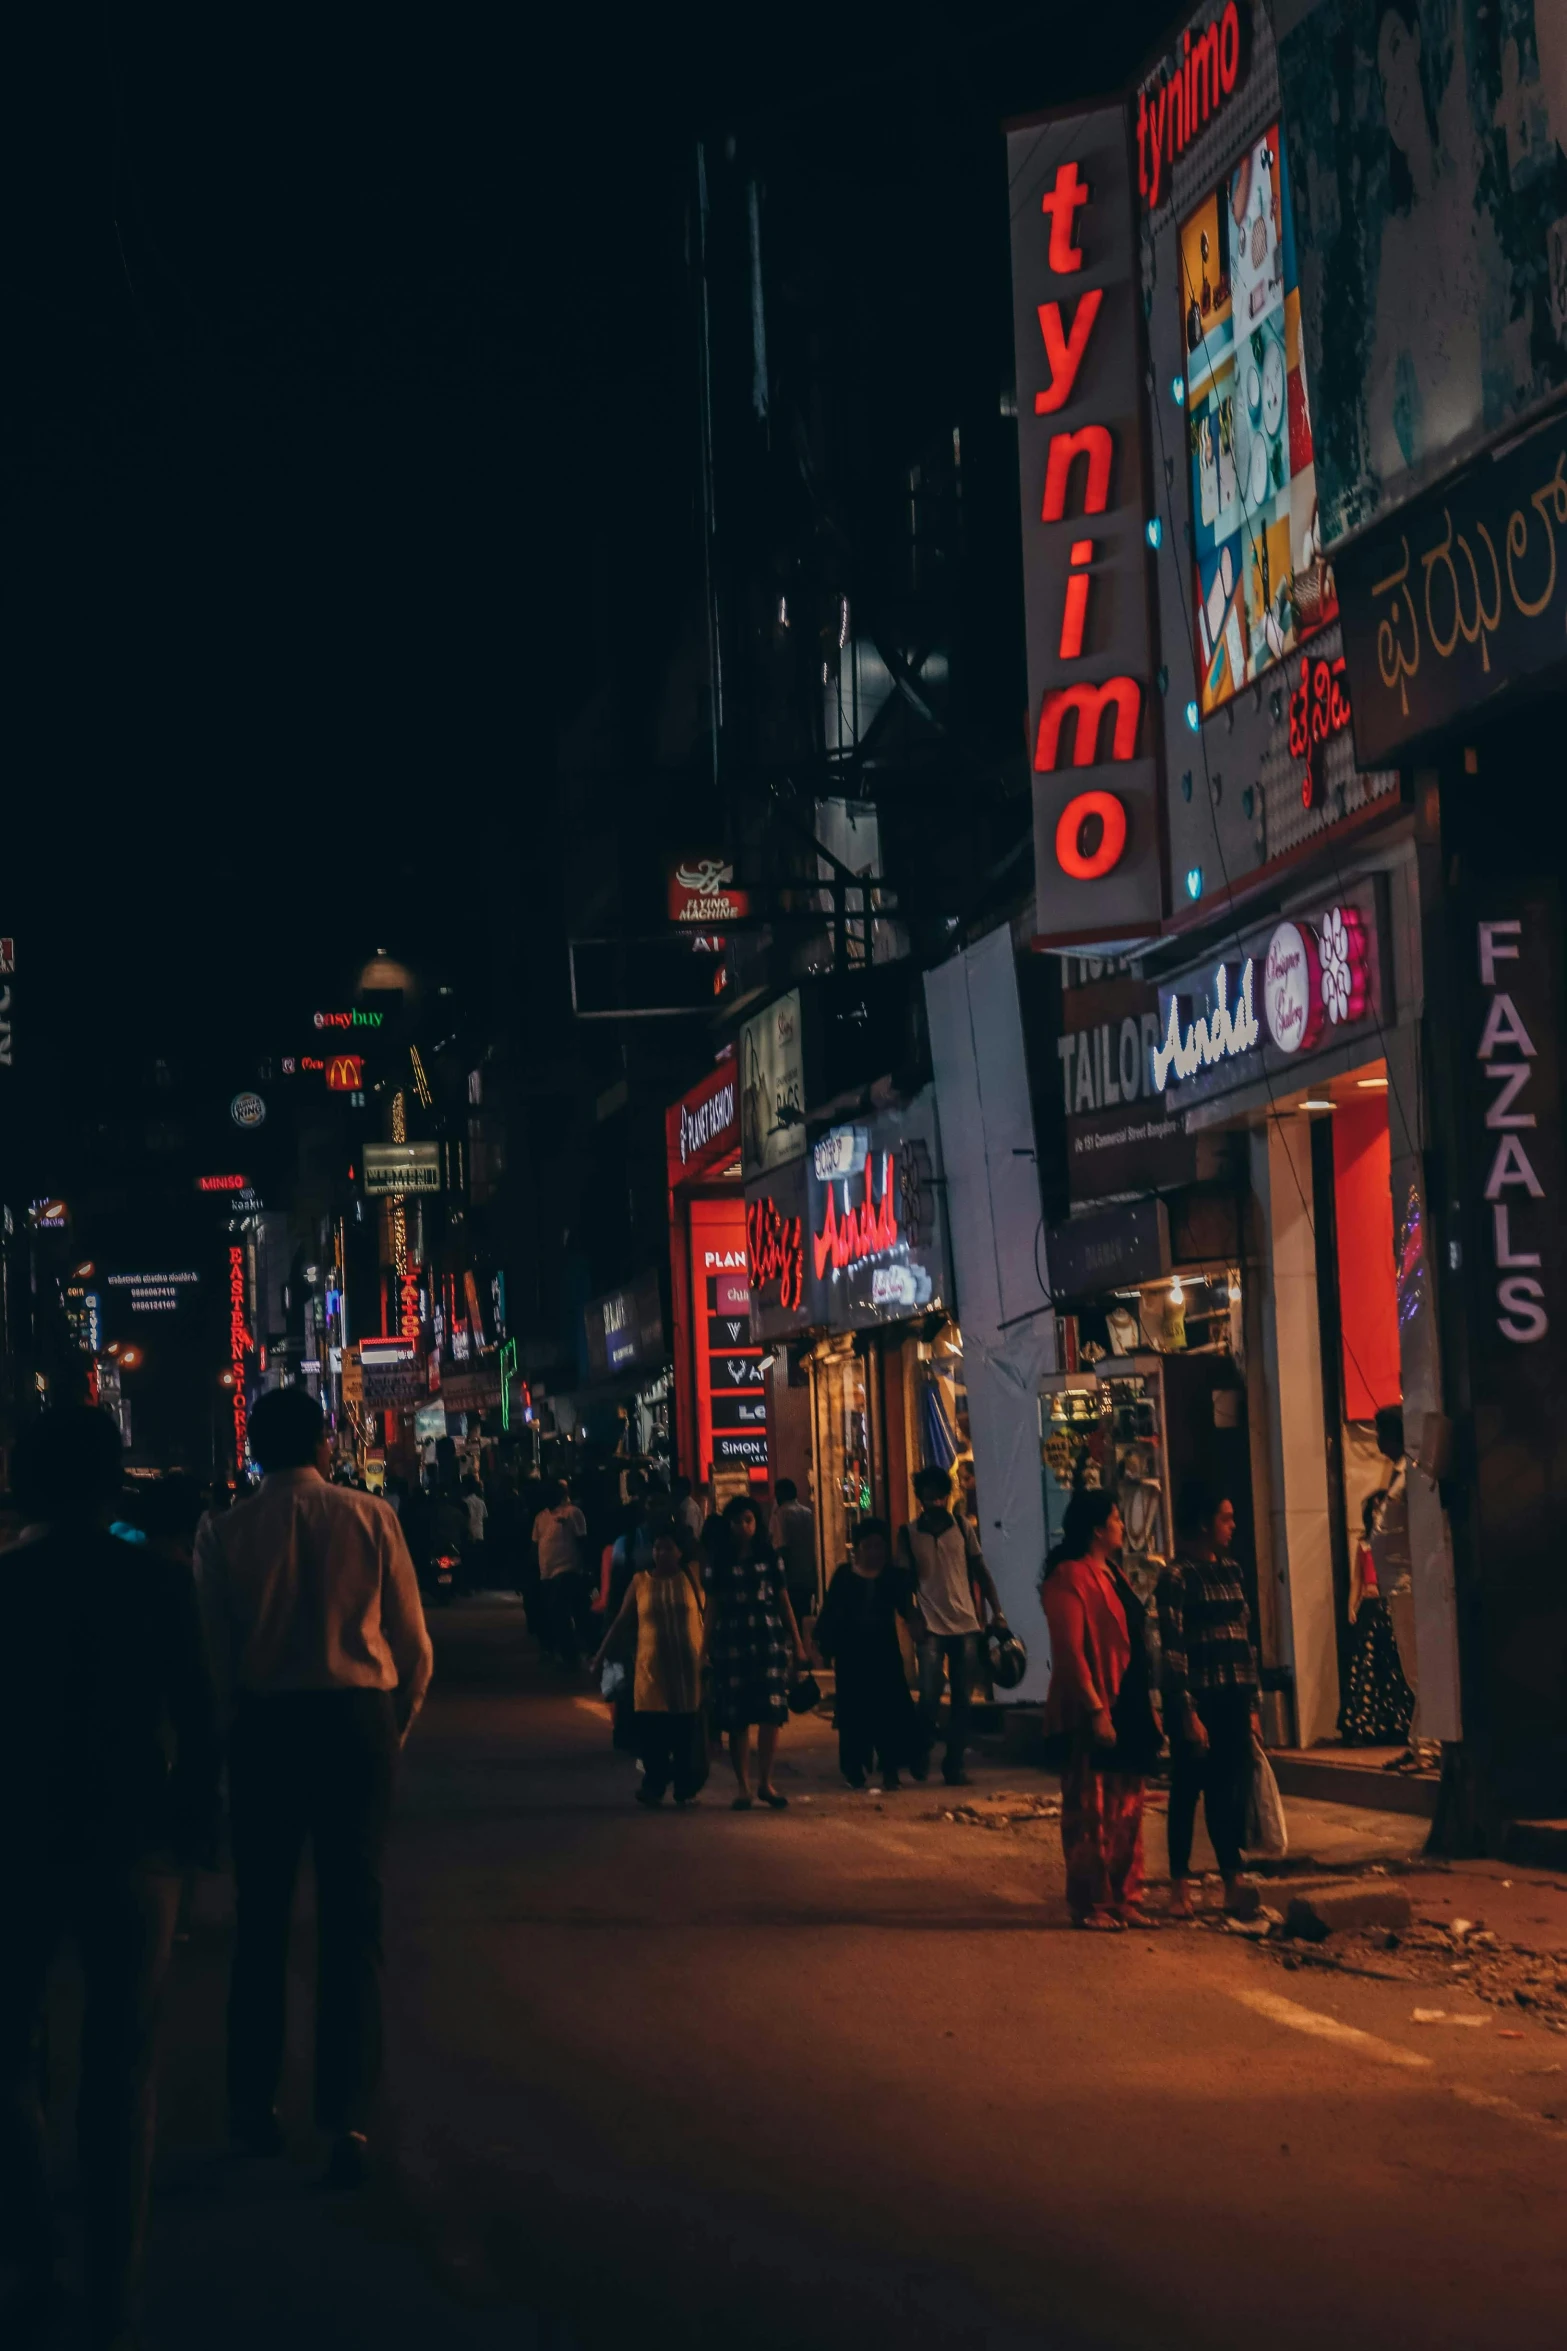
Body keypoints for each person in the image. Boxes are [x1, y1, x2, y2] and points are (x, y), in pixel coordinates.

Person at [0, 1408, 220, 2348]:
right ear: (110, 1483)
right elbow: (201, 1720)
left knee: (11, 2059)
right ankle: (113, 2292)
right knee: (121, 2069)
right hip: (135, 1842)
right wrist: (189, 1827)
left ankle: (33, 2258)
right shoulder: (157, 1579)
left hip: (16, 1846)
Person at [193, 1385, 433, 2187]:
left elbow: (216, 1665)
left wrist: (232, 1745)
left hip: (266, 1729)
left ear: (254, 1448)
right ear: (325, 1442)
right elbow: (415, 1647)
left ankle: (251, 2106)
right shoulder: (371, 1518)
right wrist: (387, 1730)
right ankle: (348, 2116)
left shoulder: (223, 1532)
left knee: (260, 1921)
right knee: (351, 1920)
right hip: (356, 1722)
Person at [1041, 1490, 1162, 1930]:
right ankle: (1092, 1902)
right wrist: (1096, 1709)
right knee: (1090, 1810)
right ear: (1096, 1528)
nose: (1122, 1525)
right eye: (1115, 1518)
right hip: (1091, 1707)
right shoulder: (1068, 1577)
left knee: (1128, 1808)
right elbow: (1070, 1653)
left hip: (1127, 1701)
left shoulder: (1113, 1573)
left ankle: (1125, 1895)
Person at [1157, 1481, 1262, 1920]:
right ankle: (1180, 1886)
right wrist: (1185, 1712)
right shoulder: (1176, 1576)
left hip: (1234, 1695)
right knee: (1186, 1792)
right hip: (1197, 1700)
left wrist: (1253, 1704)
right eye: (1225, 1517)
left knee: (1229, 1791)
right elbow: (1173, 1647)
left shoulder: (1232, 1571)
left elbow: (1245, 1639)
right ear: (1203, 1523)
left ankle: (1231, 1880)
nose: (1232, 1526)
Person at [897, 1465, 1005, 1788]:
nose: (933, 1502)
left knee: (962, 1699)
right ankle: (921, 1750)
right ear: (920, 1499)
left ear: (946, 1497)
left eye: (938, 1497)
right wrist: (911, 1617)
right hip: (930, 1626)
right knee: (929, 1696)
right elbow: (902, 1582)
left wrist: (996, 1611)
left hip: (965, 1625)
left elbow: (981, 1571)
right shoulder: (909, 1534)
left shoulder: (962, 1528)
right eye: (927, 1497)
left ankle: (954, 1765)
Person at [702, 1494, 807, 1809]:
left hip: (767, 1637)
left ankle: (765, 1782)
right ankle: (743, 1786)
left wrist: (798, 1643)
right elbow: (713, 1607)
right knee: (737, 1716)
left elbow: (783, 1600)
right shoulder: (720, 1560)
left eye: (748, 1520)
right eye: (736, 1521)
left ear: (756, 1522)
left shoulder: (769, 1555)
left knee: (771, 1712)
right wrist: (703, 1650)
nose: (743, 1526)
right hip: (732, 1639)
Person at [589, 1525, 708, 1805]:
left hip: (687, 1669)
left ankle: (684, 1788)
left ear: (680, 1552)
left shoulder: (693, 1575)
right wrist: (600, 1657)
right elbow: (621, 1621)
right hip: (651, 1670)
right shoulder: (640, 1581)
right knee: (653, 1733)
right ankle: (654, 1785)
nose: (661, 1553)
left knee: (685, 1732)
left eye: (668, 1548)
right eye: (657, 1547)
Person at [812, 1518, 922, 1791]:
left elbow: (907, 1609)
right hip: (852, 1658)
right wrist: (824, 1648)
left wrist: (917, 1627)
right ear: (858, 1549)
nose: (875, 1552)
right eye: (869, 1546)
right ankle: (854, 1768)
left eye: (879, 1547)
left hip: (885, 1654)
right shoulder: (844, 1577)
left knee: (890, 1713)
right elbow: (830, 1614)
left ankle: (890, 1767)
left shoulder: (891, 1578)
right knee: (854, 1715)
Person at [1340, 1490, 1416, 1745]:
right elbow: (1357, 1579)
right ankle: (1365, 1725)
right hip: (1370, 1607)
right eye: (1373, 1509)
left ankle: (1399, 1723)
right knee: (1367, 1667)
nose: (1376, 1513)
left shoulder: (1394, 1542)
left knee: (1394, 1665)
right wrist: (1352, 1606)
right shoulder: (1364, 1544)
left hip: (1389, 1604)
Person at [530, 1478, 589, 1664]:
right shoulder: (541, 1517)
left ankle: (570, 1655)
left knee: (560, 1612)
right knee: (554, 1614)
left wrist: (586, 1569)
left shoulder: (573, 1513)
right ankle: (564, 1651)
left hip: (567, 1569)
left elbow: (582, 1541)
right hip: (546, 1573)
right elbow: (536, 1544)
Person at [768, 1477, 818, 1632]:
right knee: (805, 1614)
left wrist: (781, 1578)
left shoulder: (781, 1515)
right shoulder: (808, 1512)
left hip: (791, 1577)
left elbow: (782, 1548)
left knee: (791, 1619)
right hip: (809, 1575)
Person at [460, 1472, 488, 1579]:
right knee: (478, 1561)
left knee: (469, 1561)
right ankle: (478, 1583)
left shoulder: (465, 1502)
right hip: (480, 1534)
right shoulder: (481, 1502)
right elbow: (485, 1518)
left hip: (469, 1535)